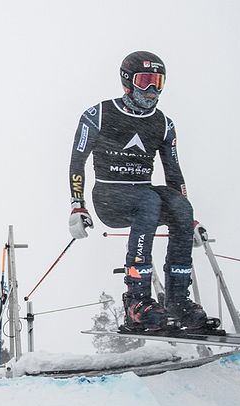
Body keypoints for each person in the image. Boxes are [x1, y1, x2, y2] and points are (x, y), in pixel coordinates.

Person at [68, 51, 216, 333]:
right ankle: (136, 302)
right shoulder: (98, 115)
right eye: (145, 81)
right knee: (149, 200)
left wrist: (190, 221)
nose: (152, 90)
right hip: (109, 198)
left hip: (142, 196)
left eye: (157, 82)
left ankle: (178, 302)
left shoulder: (163, 124)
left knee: (181, 208)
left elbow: (173, 172)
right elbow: (77, 160)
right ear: (127, 82)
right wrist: (78, 205)